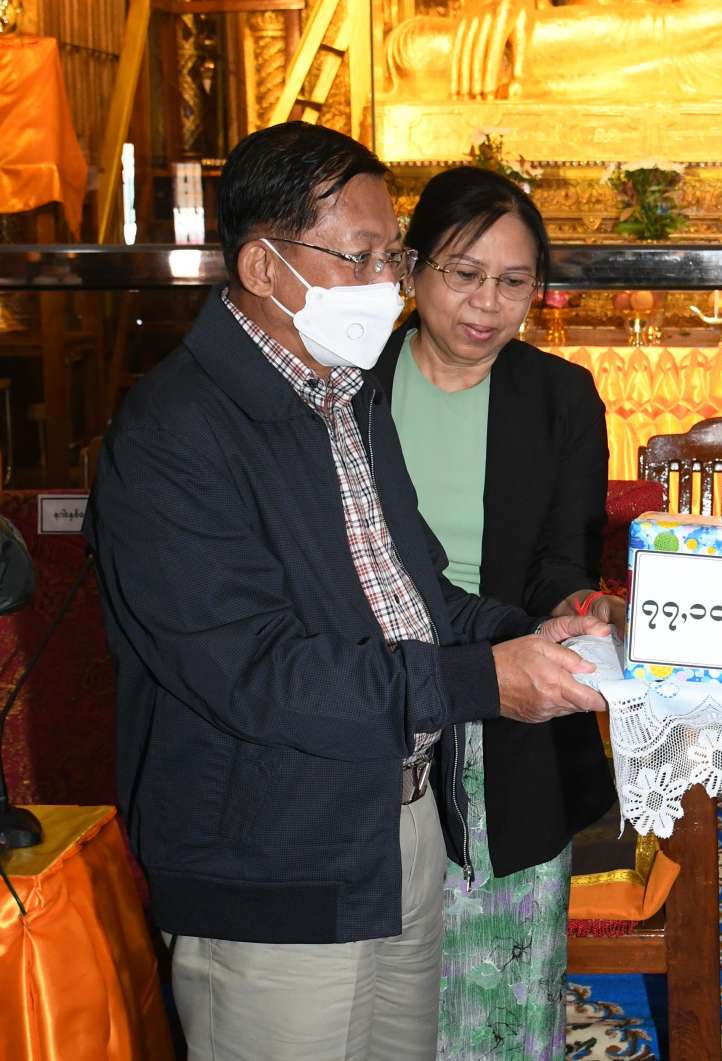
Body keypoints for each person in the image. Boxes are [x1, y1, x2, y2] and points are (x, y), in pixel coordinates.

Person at [85, 121, 608, 1061]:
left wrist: (543, 633)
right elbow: (257, 673)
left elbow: (417, 596)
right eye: (360, 258)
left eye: (389, 257)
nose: (385, 284)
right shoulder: (176, 434)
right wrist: (483, 681)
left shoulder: (345, 397)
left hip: (399, 824)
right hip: (273, 853)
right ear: (264, 266)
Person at [371, 165, 617, 1058]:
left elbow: (561, 566)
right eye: (464, 274)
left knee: (501, 1004)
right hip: (373, 702)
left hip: (506, 711)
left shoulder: (559, 398)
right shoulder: (352, 386)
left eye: (514, 282)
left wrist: (585, 610)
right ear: (412, 268)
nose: (487, 304)